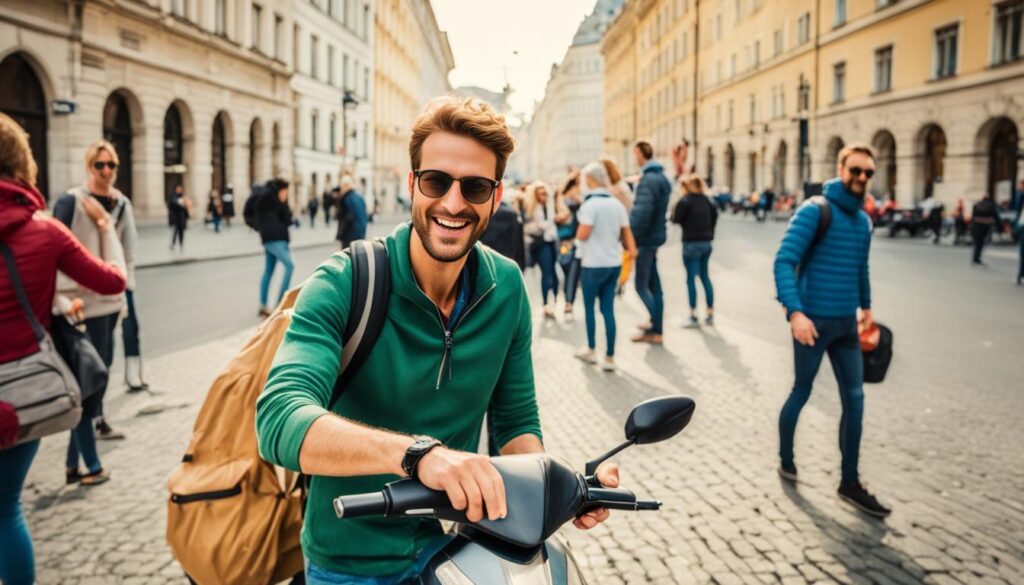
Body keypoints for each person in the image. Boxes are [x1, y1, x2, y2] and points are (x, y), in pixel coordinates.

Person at [255, 96, 617, 584]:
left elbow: (514, 425)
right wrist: (420, 456)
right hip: (349, 562)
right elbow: (280, 418)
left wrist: (554, 489)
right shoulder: (346, 280)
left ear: (496, 195)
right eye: (436, 181)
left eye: (474, 187)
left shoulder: (507, 286)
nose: (452, 202)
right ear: (412, 184)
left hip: (456, 551)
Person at [0, 113, 127, 585]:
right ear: (23, 164)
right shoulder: (45, 230)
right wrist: (106, 228)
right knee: (6, 510)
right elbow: (114, 279)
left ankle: (84, 461)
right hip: (21, 390)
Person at [774, 143, 890, 518]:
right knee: (802, 390)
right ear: (841, 168)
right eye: (855, 170)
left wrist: (867, 306)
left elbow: (861, 269)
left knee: (855, 401)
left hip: (845, 325)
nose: (861, 178)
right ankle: (786, 458)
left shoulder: (863, 221)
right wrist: (795, 313)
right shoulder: (815, 210)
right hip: (811, 324)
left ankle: (850, 482)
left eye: (868, 172)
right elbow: (784, 261)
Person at [53, 139, 140, 442]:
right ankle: (82, 438)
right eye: (99, 165)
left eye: (111, 165)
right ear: (89, 166)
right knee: (86, 369)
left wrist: (128, 291)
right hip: (79, 300)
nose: (106, 171)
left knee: (104, 363)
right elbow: (55, 249)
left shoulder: (122, 204)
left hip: (112, 298)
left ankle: (96, 421)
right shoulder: (71, 201)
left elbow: (129, 253)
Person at [573, 162, 637, 372]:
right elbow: (628, 239)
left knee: (590, 308)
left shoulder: (590, 205)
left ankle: (591, 349)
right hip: (613, 263)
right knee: (608, 310)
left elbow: (583, 234)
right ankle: (610, 357)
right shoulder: (617, 204)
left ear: (590, 181)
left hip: (593, 264)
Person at [629, 140, 671, 344]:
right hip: (655, 237)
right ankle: (656, 325)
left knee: (640, 285)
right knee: (655, 286)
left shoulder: (648, 180)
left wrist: (631, 238)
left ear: (639, 153)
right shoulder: (661, 177)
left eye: (635, 154)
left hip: (645, 240)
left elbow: (641, 214)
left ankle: (657, 327)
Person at [672, 175, 718, 328]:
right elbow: (715, 218)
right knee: (705, 277)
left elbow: (675, 219)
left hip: (691, 243)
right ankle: (710, 313)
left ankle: (693, 314)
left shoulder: (686, 201)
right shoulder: (708, 200)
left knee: (691, 278)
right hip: (706, 242)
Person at [256, 178, 294, 317]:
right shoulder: (268, 198)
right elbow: (286, 220)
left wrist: (283, 203)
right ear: (280, 189)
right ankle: (280, 303)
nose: (286, 194)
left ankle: (263, 305)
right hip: (274, 238)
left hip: (273, 238)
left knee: (268, 270)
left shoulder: (276, 200)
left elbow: (288, 219)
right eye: (285, 191)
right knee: (290, 265)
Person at [522, 181, 560, 318]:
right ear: (535, 196)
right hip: (541, 243)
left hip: (552, 240)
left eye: (545, 193)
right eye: (540, 194)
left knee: (554, 272)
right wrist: (554, 219)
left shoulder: (550, 205)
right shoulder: (533, 207)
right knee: (547, 272)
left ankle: (554, 300)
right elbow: (541, 225)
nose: (544, 196)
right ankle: (545, 303)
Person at [556, 170, 583, 320]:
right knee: (567, 268)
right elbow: (560, 219)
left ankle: (569, 302)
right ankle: (568, 297)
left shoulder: (575, 201)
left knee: (573, 270)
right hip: (566, 241)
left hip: (574, 241)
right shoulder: (566, 201)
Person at [479, 197, 526, 269]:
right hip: (508, 259)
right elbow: (518, 242)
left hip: (485, 259)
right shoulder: (512, 213)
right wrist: (521, 264)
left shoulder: (482, 211)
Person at [335, 175, 368, 249]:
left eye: (342, 186)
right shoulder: (359, 197)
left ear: (345, 186)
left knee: (346, 257)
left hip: (350, 236)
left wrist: (341, 234)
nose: (341, 189)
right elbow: (365, 216)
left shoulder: (347, 198)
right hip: (360, 234)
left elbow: (348, 218)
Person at [970, 193, 1003, 266]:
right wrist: (1000, 227)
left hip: (976, 225)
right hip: (984, 226)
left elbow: (973, 216)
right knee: (980, 243)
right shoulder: (991, 205)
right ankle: (977, 258)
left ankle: (975, 257)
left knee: (977, 242)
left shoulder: (977, 205)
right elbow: (996, 216)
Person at [167, 184, 190, 251]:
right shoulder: (172, 195)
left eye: (180, 189)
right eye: (178, 188)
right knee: (176, 230)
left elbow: (186, 205)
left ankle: (181, 244)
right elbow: (174, 204)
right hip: (176, 216)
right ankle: (173, 244)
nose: (179, 190)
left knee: (181, 231)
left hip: (182, 217)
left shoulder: (182, 196)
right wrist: (182, 204)